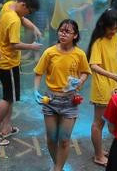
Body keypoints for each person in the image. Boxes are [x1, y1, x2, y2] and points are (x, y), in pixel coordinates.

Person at [34, 18, 91, 171]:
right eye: (61, 30)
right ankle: (57, 165)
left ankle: (57, 168)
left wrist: (80, 81)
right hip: (50, 100)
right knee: (52, 139)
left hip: (70, 101)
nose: (63, 34)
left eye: (67, 31)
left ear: (75, 35)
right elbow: (38, 72)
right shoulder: (49, 52)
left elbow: (86, 72)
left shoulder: (79, 54)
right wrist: (35, 90)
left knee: (64, 140)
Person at [0, 0, 41, 144]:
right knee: (7, 98)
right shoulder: (13, 20)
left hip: (3, 60)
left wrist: (33, 27)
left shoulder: (9, 5)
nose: (28, 14)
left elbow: (23, 18)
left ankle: (6, 127)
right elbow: (15, 44)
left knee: (11, 96)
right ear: (24, 5)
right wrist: (31, 47)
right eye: (29, 11)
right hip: (9, 62)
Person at [88, 8, 117, 166]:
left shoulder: (115, 37)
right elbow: (94, 65)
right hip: (102, 86)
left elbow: (116, 59)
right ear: (104, 26)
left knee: (111, 121)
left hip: (114, 84)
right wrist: (113, 76)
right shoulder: (98, 42)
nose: (114, 31)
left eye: (116, 27)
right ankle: (98, 155)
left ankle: (100, 150)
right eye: (112, 28)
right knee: (99, 122)